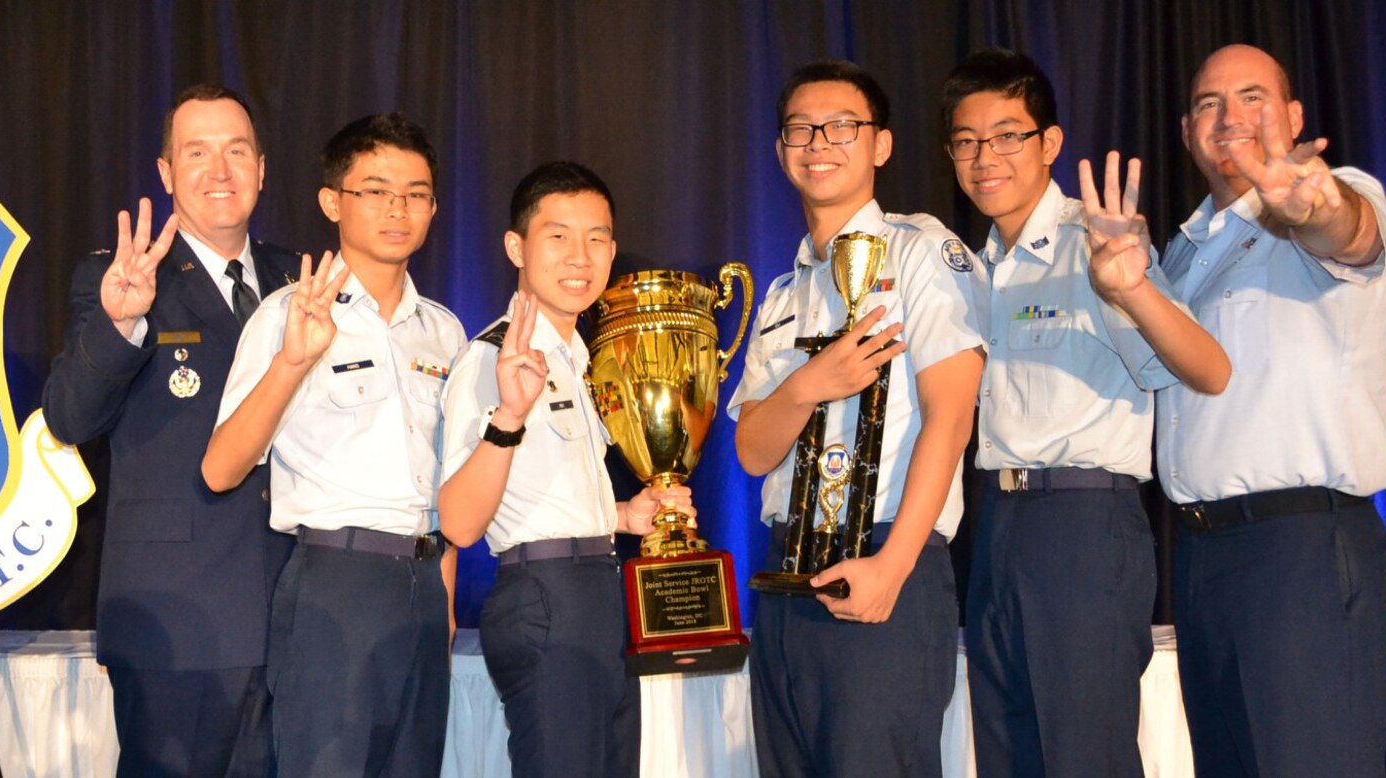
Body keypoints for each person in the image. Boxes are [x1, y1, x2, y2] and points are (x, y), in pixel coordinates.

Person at [940, 49, 1232, 777]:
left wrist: (1132, 287)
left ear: (1050, 143)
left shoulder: (1098, 241)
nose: (985, 158)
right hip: (997, 525)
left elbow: (1179, 367)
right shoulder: (972, 265)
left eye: (1007, 135)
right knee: (1007, 753)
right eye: (967, 142)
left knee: (1086, 756)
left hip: (1082, 525)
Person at [728, 59, 986, 777]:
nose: (820, 142)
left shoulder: (921, 252)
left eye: (843, 125)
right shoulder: (783, 291)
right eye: (801, 129)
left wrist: (892, 567)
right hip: (785, 574)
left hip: (883, 559)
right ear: (781, 152)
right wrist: (810, 383)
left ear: (881, 145)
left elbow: (951, 420)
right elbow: (751, 450)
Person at [40, 84, 302, 778]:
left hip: (296, 616)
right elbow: (69, 418)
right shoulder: (123, 277)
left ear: (262, 168)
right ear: (165, 174)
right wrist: (122, 322)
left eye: (236, 151)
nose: (220, 172)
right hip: (178, 620)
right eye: (197, 153)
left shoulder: (297, 278)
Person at [1159, 43, 1386, 777]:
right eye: (1208, 104)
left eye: (1252, 97)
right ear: (1187, 130)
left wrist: (1312, 205)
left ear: (1294, 117)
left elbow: (1348, 230)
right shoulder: (1181, 251)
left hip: (1301, 551)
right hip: (1201, 558)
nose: (1229, 118)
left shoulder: (1335, 190)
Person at [202, 112, 464, 777]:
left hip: (425, 588)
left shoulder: (444, 332)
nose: (398, 208)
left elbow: (452, 479)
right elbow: (221, 468)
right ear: (332, 202)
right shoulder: (290, 314)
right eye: (375, 190)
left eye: (416, 193)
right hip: (335, 585)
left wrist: (446, 595)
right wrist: (292, 362)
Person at [436, 161, 691, 777]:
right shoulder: (493, 359)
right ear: (516, 247)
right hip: (544, 596)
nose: (581, 256)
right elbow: (460, 521)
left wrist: (628, 514)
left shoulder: (580, 356)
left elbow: (557, 492)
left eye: (597, 237)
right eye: (558, 236)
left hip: (599, 586)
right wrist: (509, 416)